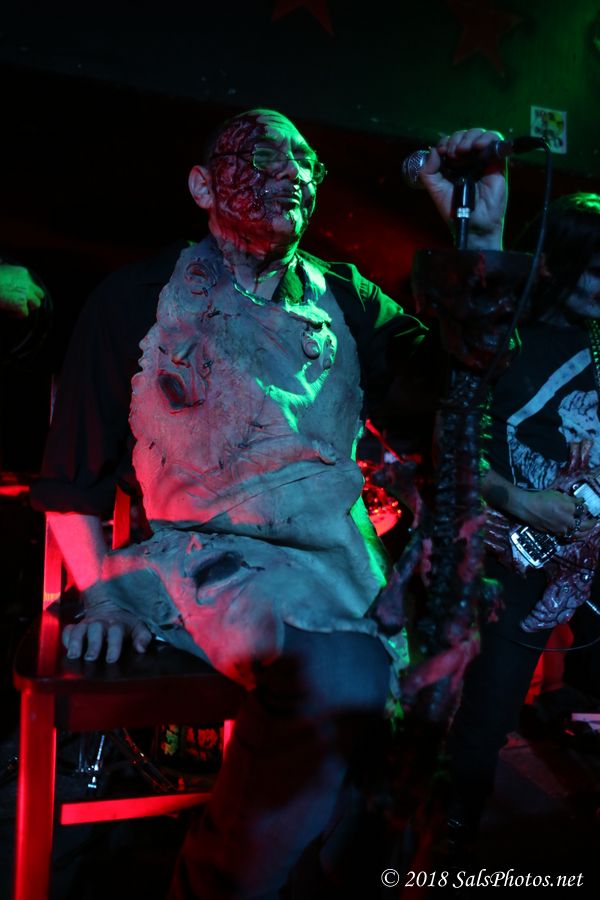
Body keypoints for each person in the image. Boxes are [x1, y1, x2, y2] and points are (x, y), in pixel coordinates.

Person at [30, 111, 507, 898]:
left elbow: (460, 378)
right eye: (261, 157)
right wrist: (105, 597)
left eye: (305, 161)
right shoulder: (136, 297)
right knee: (342, 677)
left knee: (413, 725)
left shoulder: (345, 295)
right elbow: (71, 476)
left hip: (342, 559)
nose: (291, 172)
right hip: (206, 555)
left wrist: (478, 237)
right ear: (202, 185)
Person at [445, 192, 600, 848]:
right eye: (595, 270)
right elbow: (449, 443)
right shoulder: (500, 336)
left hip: (587, 544)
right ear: (556, 261)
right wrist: (519, 500)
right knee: (490, 709)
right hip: (516, 545)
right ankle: (449, 840)